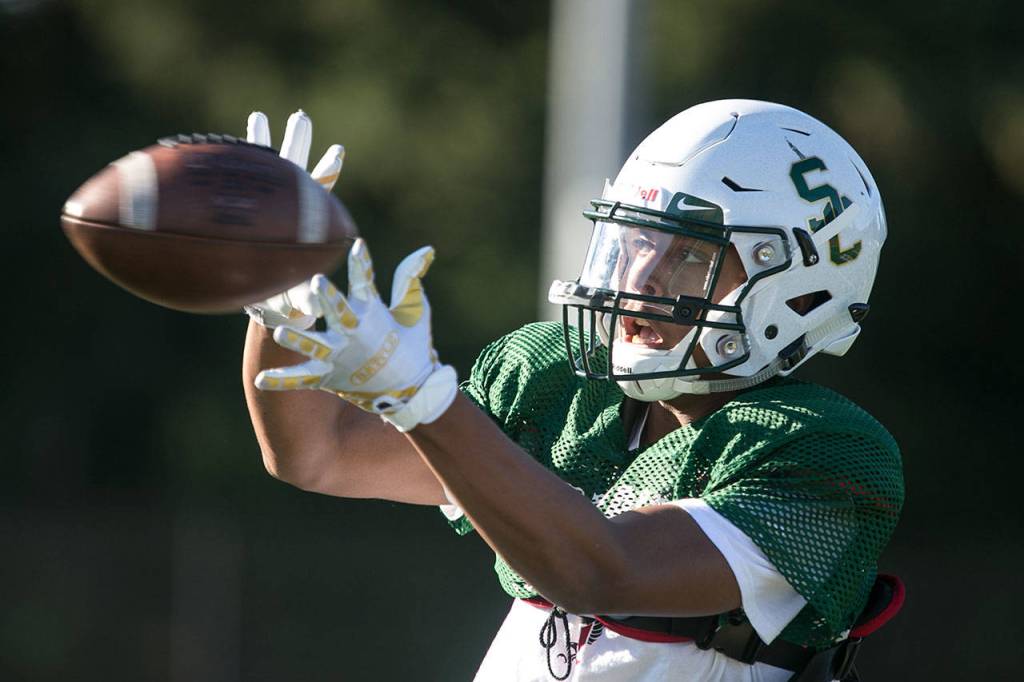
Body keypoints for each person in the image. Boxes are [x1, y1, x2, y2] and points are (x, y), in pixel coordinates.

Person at [242, 100, 905, 681]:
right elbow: (316, 450)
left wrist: (423, 401)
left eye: (690, 256)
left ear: (801, 287)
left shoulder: (824, 454)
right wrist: (279, 284)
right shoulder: (556, 385)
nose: (639, 277)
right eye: (636, 241)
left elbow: (602, 572)